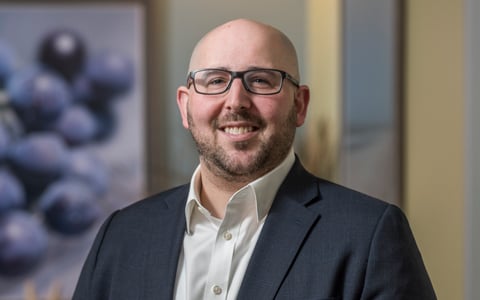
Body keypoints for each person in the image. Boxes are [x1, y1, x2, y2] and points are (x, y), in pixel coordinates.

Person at [72, 18, 436, 300]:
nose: (236, 100)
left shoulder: (369, 236)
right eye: (215, 81)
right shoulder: (122, 236)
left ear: (299, 104)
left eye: (261, 80)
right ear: (185, 106)